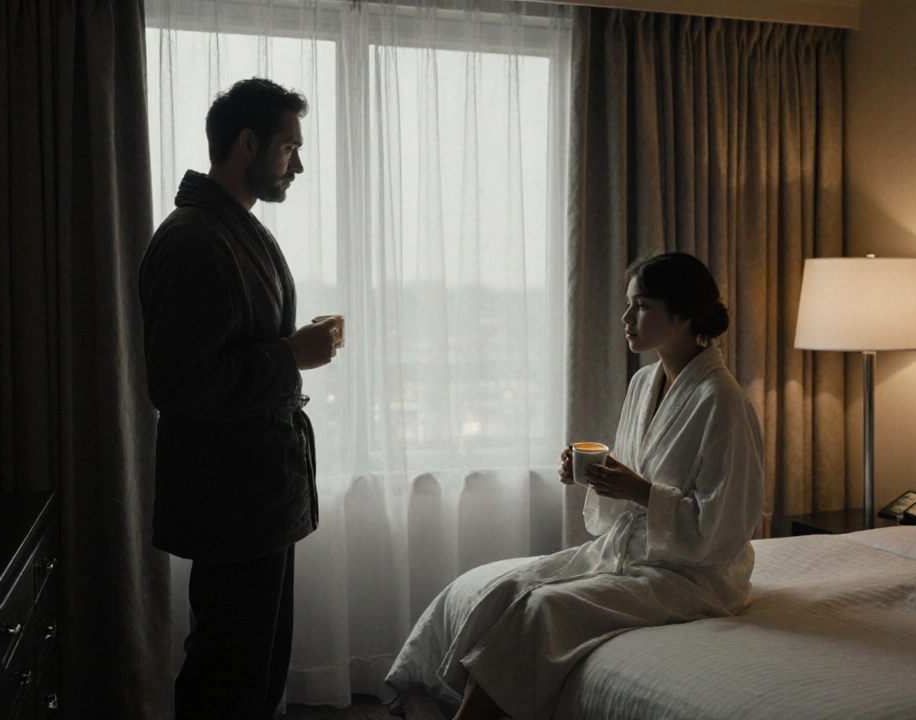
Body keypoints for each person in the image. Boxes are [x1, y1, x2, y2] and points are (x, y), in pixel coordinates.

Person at [386, 252, 766, 720]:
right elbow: (643, 480)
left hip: (694, 578)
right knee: (509, 587)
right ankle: (431, 700)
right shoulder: (645, 382)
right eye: (629, 305)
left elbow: (725, 529)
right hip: (634, 551)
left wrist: (640, 491)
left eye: (642, 306)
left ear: (684, 314)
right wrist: (603, 479)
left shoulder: (722, 401)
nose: (626, 318)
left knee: (544, 608)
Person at [138, 78, 340, 719]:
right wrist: (292, 356)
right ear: (247, 143)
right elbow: (179, 384)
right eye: (289, 148)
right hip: (231, 500)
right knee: (230, 675)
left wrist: (294, 348)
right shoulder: (196, 240)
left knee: (257, 669)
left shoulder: (234, 229)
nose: (299, 165)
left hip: (255, 496)